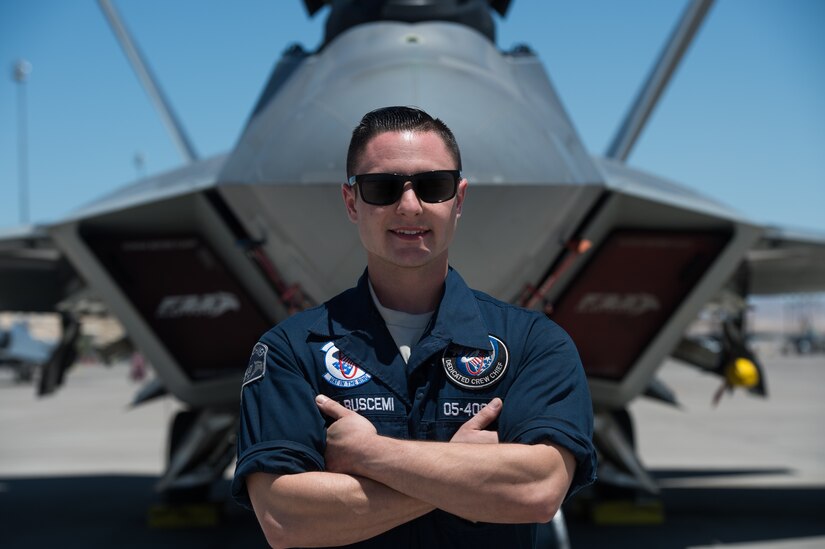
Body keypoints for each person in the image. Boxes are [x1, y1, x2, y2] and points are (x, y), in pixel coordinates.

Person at [232, 106, 596, 548]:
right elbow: (285, 518)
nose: (409, 206)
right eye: (382, 188)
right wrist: (467, 473)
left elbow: (538, 491)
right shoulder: (292, 350)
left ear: (458, 200)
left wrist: (370, 454)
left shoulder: (532, 344)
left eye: (433, 186)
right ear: (352, 202)